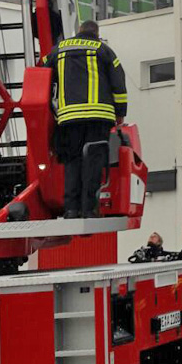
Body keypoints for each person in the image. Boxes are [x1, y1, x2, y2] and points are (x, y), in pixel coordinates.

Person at [41, 19, 128, 219]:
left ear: (79, 31)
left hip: (69, 118)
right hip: (99, 117)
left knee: (73, 161)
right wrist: (120, 111)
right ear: (96, 33)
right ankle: (89, 209)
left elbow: (43, 73)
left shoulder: (58, 50)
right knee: (93, 162)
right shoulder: (104, 50)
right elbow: (118, 82)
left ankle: (71, 209)